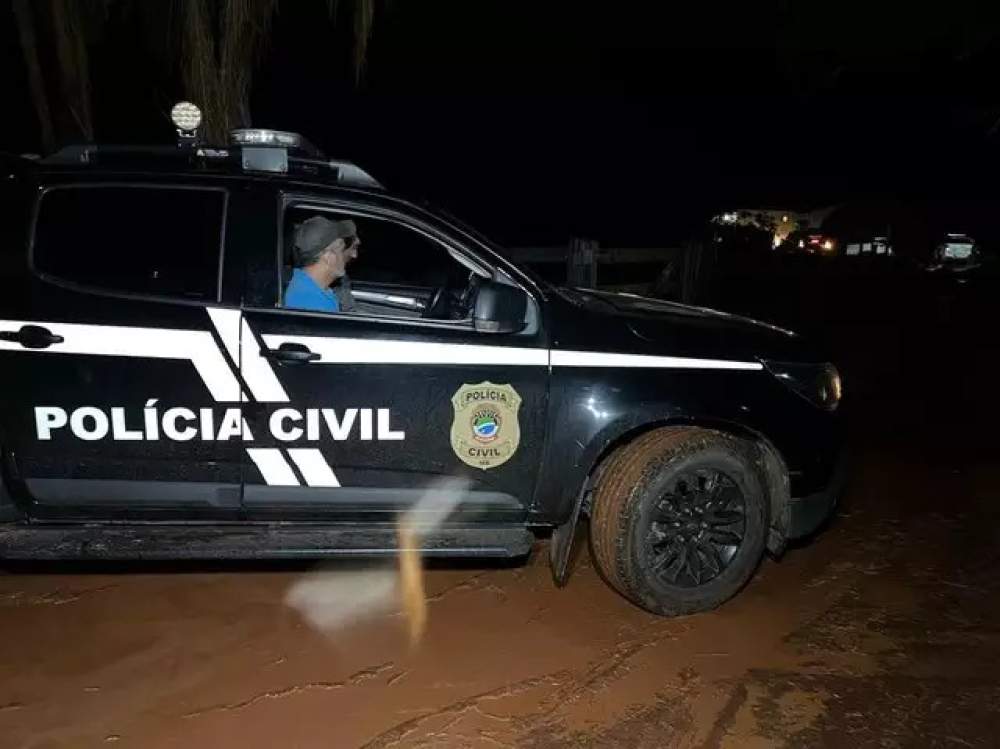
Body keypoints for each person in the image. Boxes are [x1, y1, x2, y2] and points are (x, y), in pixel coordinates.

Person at [284, 216, 360, 313]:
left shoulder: (304, 281)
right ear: (329, 257)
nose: (344, 258)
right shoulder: (315, 304)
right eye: (341, 251)